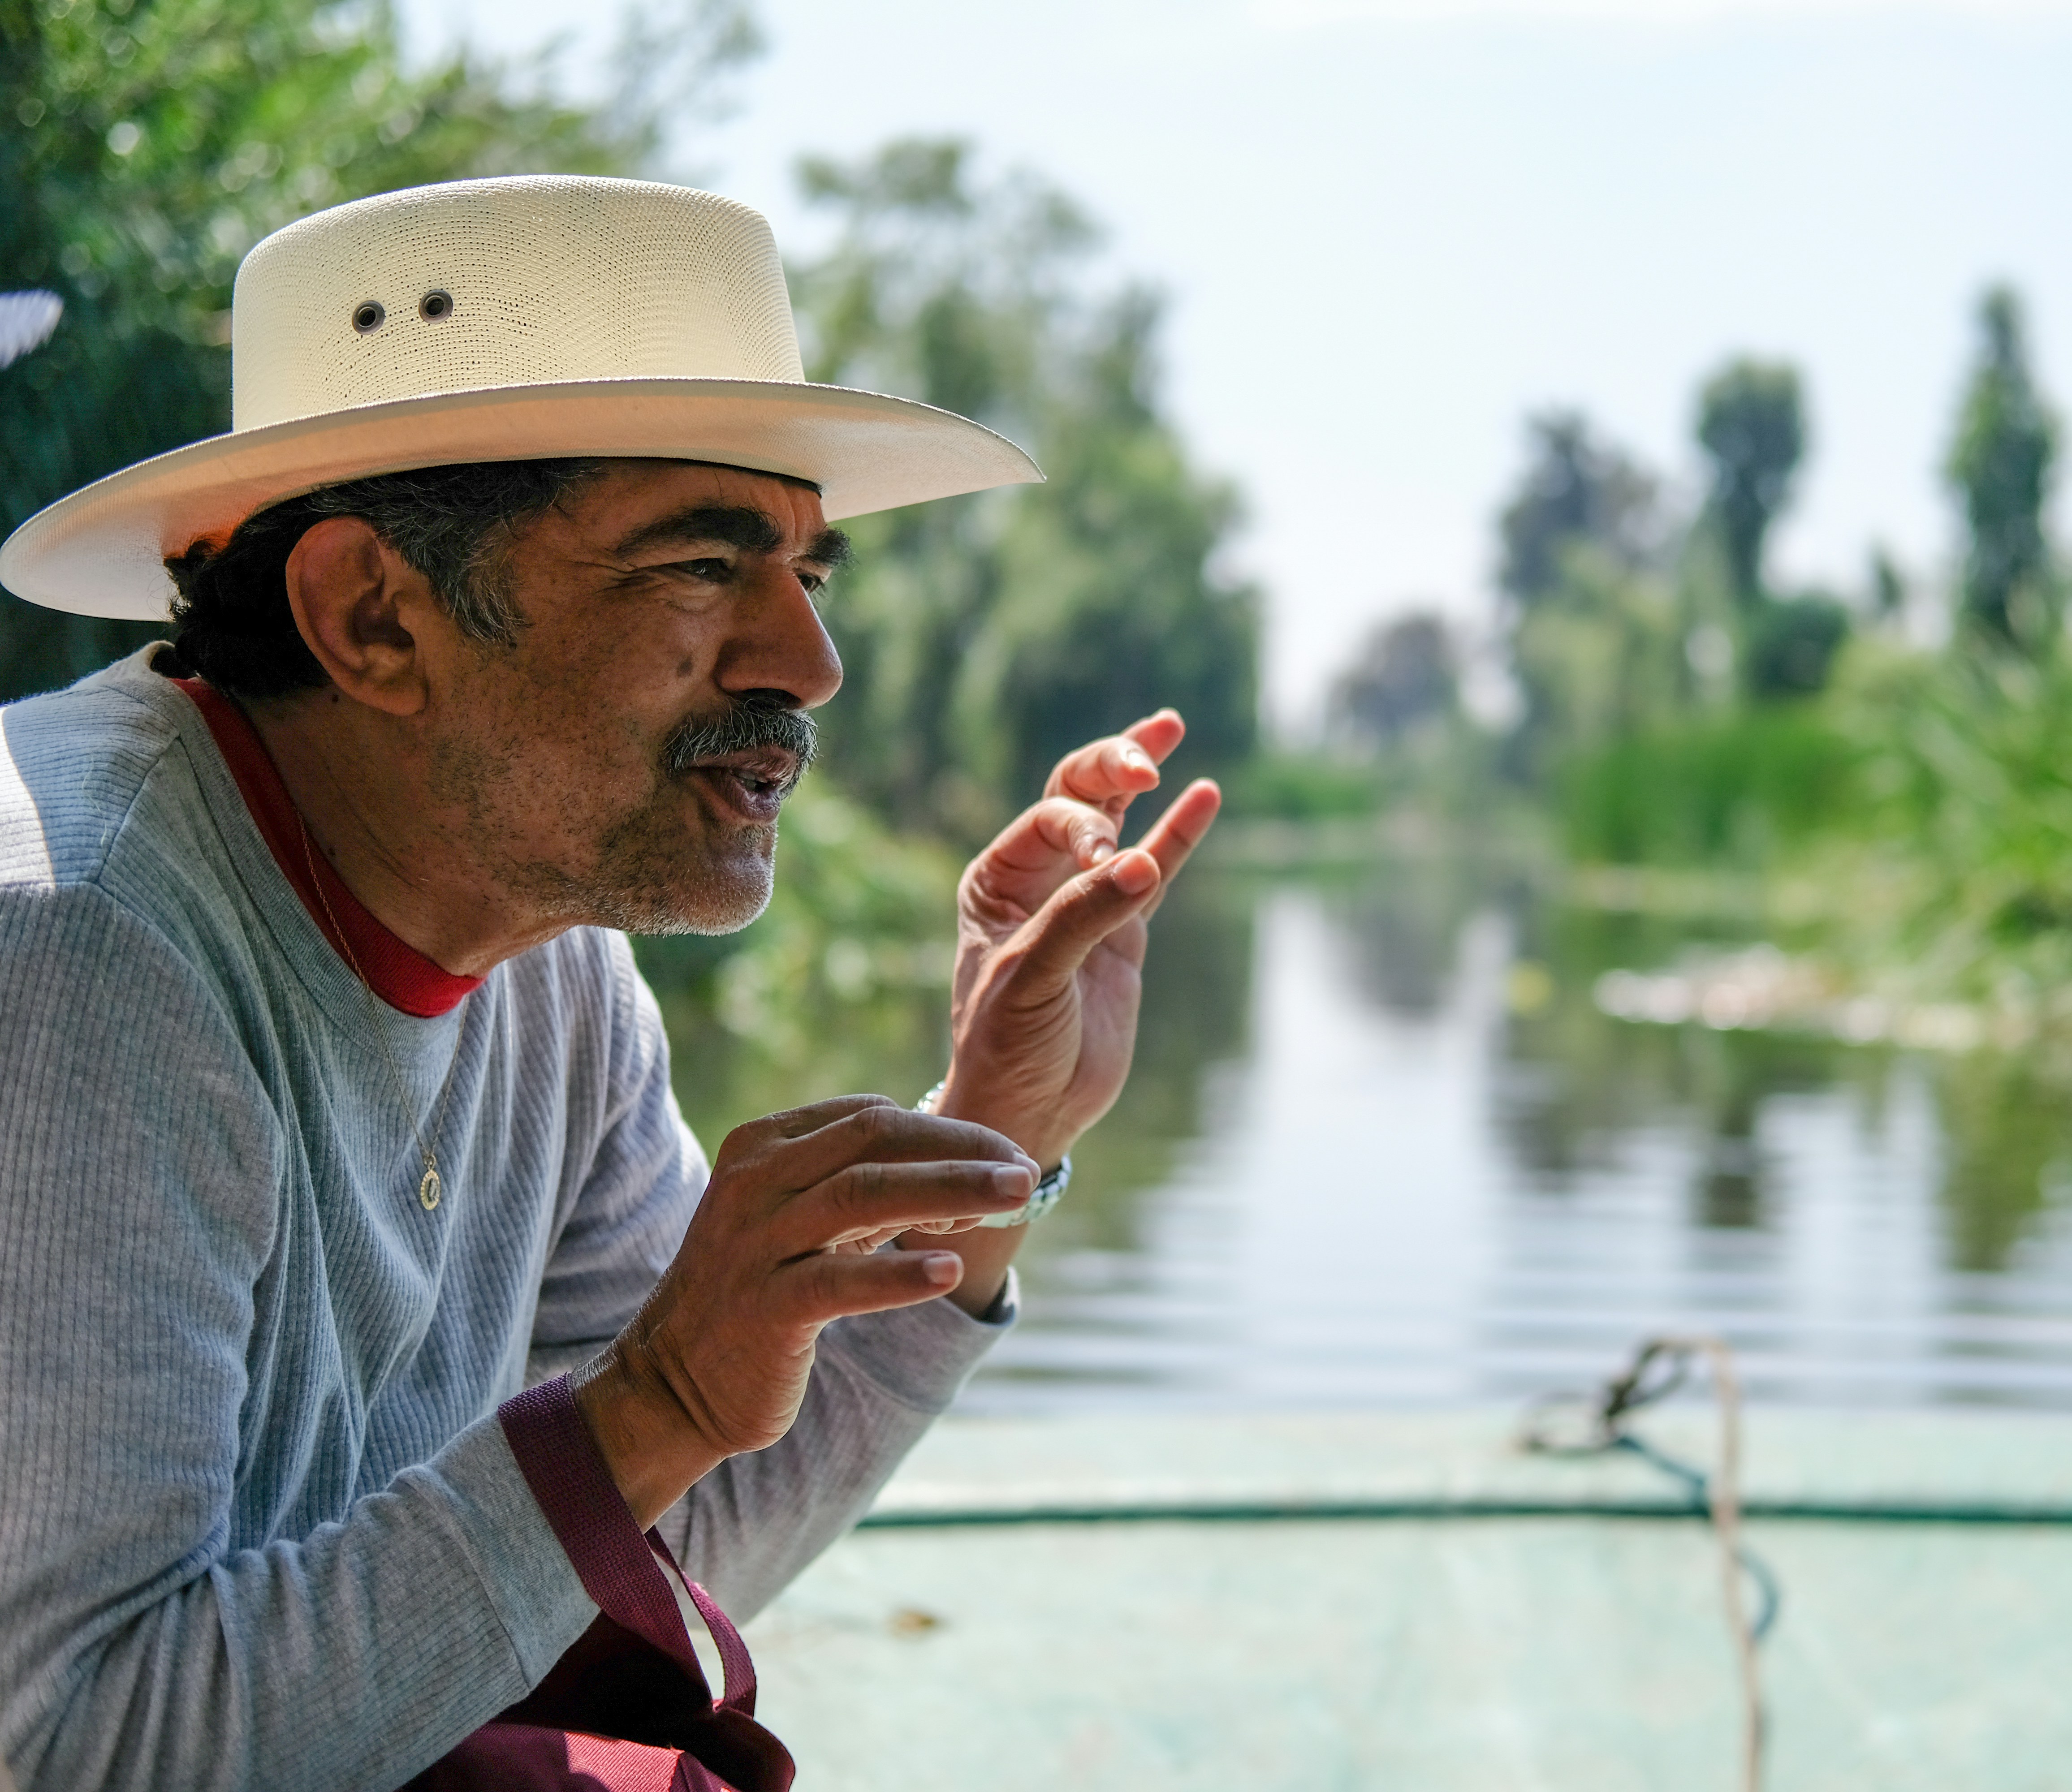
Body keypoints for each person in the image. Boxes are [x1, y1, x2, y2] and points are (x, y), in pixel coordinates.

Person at [0, 175, 1219, 1790]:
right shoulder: (78, 943)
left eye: (808, 571)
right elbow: (81, 1748)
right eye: (702, 567)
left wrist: (991, 1136)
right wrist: (643, 1403)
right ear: (372, 616)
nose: (810, 663)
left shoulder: (554, 960)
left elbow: (654, 1543)